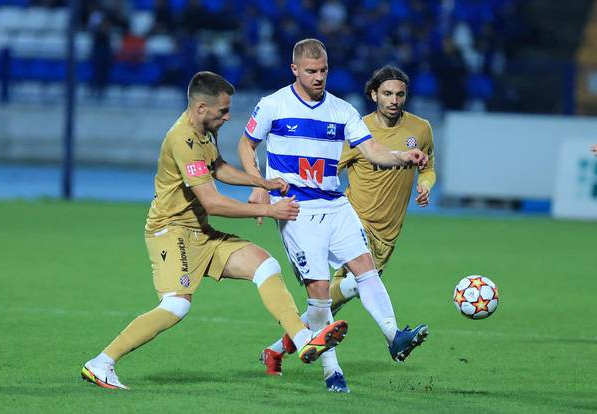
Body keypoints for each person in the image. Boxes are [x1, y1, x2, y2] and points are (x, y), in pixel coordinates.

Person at [80, 71, 348, 390]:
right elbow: (213, 203)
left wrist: (260, 182)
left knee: (265, 265)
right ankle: (102, 363)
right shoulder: (182, 139)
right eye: (223, 111)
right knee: (176, 305)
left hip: (200, 232)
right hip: (171, 232)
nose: (227, 116)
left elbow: (217, 167)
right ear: (202, 107)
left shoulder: (206, 131)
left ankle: (303, 340)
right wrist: (267, 208)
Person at [238, 39, 428, 393]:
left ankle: (393, 335)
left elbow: (371, 149)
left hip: (337, 205)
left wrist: (404, 158)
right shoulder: (273, 105)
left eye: (323, 70)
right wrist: (258, 183)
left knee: (365, 269)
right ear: (294, 70)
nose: (318, 77)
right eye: (311, 71)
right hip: (297, 210)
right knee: (321, 292)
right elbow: (247, 144)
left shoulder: (341, 110)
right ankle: (332, 372)